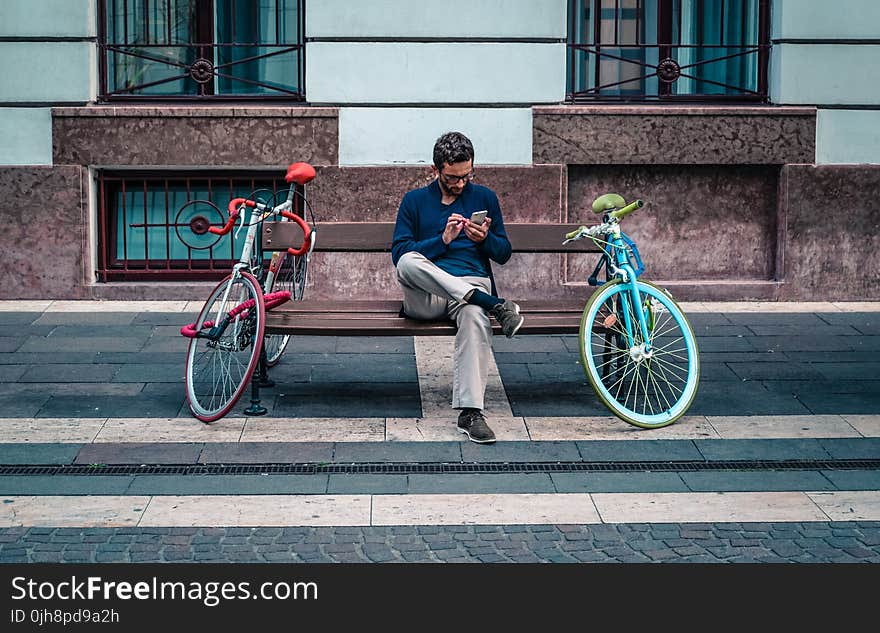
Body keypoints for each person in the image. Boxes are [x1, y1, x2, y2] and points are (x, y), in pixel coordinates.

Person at [391, 131, 523, 444]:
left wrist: (484, 239)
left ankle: (471, 412)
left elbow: (503, 253)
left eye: (467, 176)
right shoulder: (414, 201)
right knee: (408, 261)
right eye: (452, 177)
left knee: (475, 315)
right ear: (435, 170)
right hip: (426, 295)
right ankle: (491, 302)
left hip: (469, 284)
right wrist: (443, 241)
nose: (461, 184)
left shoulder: (485, 198)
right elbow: (399, 253)